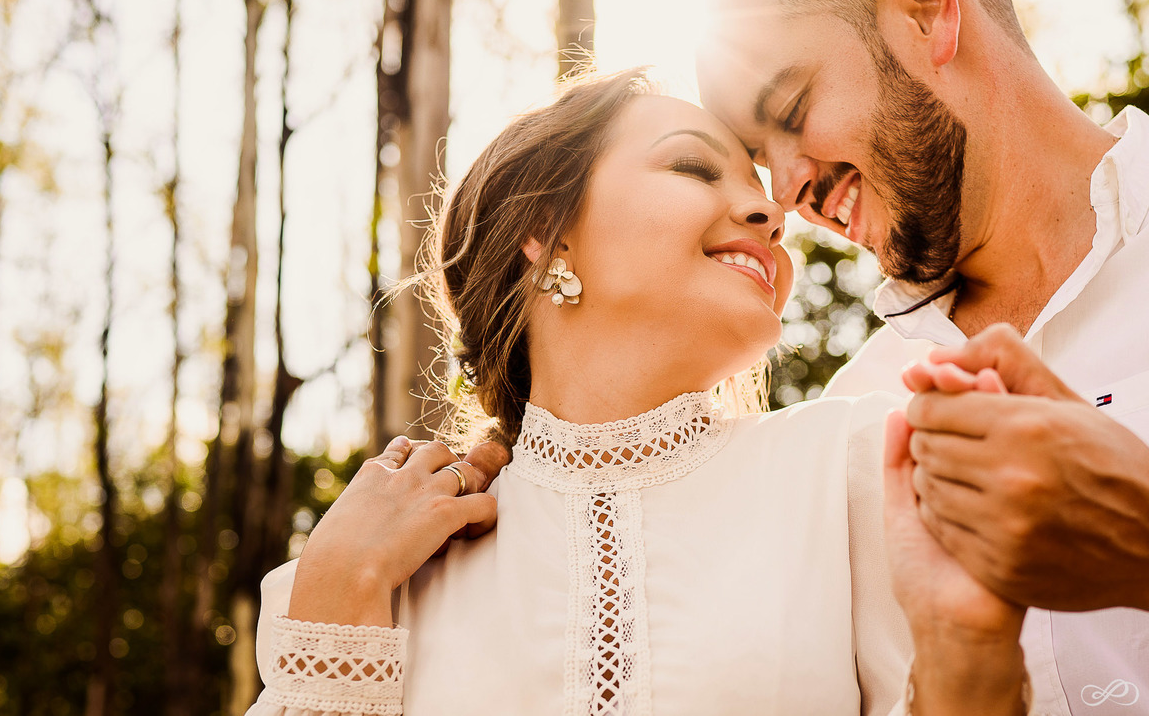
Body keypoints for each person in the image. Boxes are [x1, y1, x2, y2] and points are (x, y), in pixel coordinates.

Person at [246, 70, 1032, 715]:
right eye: (694, 167)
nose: (771, 213)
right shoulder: (367, 576)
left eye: (769, 207)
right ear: (544, 227)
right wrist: (334, 603)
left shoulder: (860, 469)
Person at [696, 0, 1149, 713]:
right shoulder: (848, 426)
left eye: (793, 108)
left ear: (924, 7)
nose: (784, 193)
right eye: (762, 157)